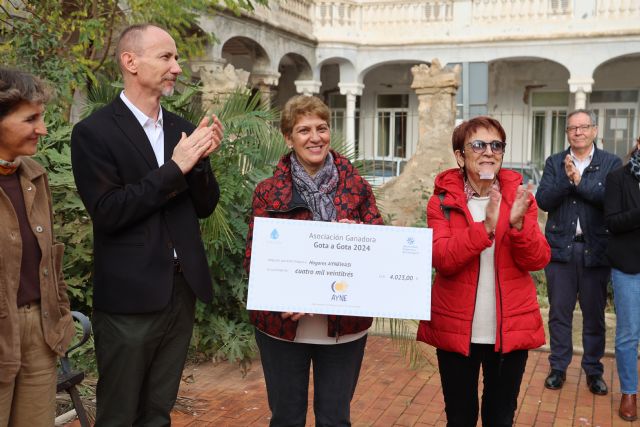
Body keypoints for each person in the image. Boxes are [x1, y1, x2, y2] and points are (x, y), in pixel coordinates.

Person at [70, 24, 222, 425]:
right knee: (120, 414)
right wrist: (177, 168)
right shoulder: (94, 132)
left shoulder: (180, 128)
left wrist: (200, 160)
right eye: (166, 57)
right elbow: (109, 211)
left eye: (176, 57)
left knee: (158, 411)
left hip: (180, 290)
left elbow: (204, 207)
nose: (177, 66)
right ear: (130, 61)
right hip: (129, 299)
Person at [244, 95, 383, 427]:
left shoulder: (357, 187)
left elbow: (379, 247)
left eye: (322, 128)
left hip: (344, 327)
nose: (315, 137)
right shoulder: (268, 191)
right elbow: (255, 257)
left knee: (335, 419)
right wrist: (284, 296)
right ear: (288, 138)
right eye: (303, 130)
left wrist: (360, 234)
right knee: (286, 418)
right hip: (282, 327)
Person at [416, 116, 550, 427]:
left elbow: (538, 259)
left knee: (500, 418)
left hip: (509, 329)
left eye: (496, 145)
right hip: (456, 328)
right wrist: (486, 227)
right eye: (478, 144)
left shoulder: (519, 199)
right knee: (460, 418)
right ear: (460, 155)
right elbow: (443, 258)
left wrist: (517, 225)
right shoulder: (442, 202)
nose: (488, 152)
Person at [0, 67, 75, 425]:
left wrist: (60, 313)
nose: (42, 129)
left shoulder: (33, 175)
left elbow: (49, 259)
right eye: (30, 119)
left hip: (41, 337)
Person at [536, 109, 621, 395]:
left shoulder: (611, 163)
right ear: (567, 133)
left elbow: (611, 201)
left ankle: (594, 371)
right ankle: (558, 367)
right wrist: (567, 178)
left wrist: (579, 183)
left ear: (594, 130)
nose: (578, 132)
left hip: (595, 250)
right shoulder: (554, 162)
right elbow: (544, 200)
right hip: (561, 251)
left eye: (584, 127)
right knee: (559, 313)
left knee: (594, 315)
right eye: (572, 128)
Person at [604, 136, 640, 421]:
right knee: (628, 333)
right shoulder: (618, 177)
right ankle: (629, 392)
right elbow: (612, 222)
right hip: (629, 266)